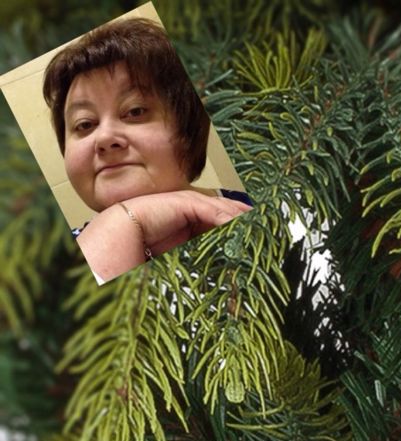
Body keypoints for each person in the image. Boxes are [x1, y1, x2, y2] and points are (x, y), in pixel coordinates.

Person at [43, 16, 252, 283]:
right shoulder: (57, 268)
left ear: (187, 128)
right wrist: (121, 224)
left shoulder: (257, 205)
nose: (104, 138)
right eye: (84, 124)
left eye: (135, 111)